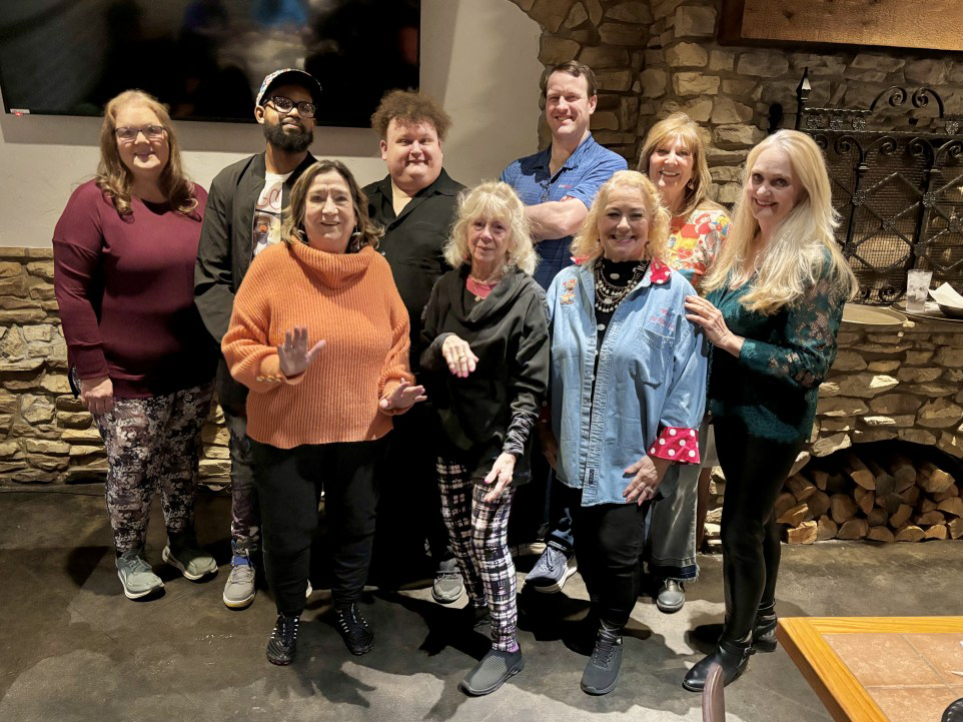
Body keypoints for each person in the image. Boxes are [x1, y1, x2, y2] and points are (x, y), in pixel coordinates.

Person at [222, 160, 425, 666]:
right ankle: (289, 613)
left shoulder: (376, 269)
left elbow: (396, 345)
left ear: (357, 212)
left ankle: (348, 606)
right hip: (285, 431)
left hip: (362, 429)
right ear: (300, 211)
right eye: (317, 198)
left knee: (356, 526)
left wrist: (395, 389)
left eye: (340, 198)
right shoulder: (272, 266)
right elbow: (238, 345)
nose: (329, 209)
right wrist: (279, 365)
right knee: (288, 534)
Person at [683, 130, 857, 691]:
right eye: (757, 178)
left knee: (739, 528)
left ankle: (732, 649)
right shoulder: (748, 244)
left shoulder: (816, 262)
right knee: (758, 520)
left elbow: (811, 364)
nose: (762, 191)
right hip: (735, 410)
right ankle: (760, 621)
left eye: (779, 181)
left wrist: (729, 340)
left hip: (773, 420)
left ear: (805, 189)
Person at [544, 170, 707, 695]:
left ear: (653, 223)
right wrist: (544, 433)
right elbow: (543, 365)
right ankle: (598, 613)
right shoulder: (566, 285)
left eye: (635, 215)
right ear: (597, 221)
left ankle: (611, 631)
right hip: (571, 450)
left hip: (632, 455)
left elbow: (688, 382)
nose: (623, 225)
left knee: (618, 550)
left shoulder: (674, 293)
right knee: (588, 547)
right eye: (612, 214)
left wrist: (661, 459)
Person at [53, 90, 217, 600]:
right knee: (133, 468)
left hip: (191, 369)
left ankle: (181, 543)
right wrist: (91, 369)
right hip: (122, 374)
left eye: (152, 129)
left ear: (168, 136)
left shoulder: (195, 199)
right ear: (113, 141)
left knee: (182, 461)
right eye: (128, 131)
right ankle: (129, 554)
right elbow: (71, 292)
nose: (142, 140)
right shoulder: (91, 203)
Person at [194, 68, 322, 610]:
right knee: (246, 462)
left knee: (301, 466)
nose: (294, 112)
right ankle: (244, 556)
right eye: (282, 101)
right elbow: (210, 277)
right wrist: (246, 348)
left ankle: (291, 560)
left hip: (308, 359)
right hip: (243, 360)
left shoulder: (328, 184)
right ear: (260, 112)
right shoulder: (230, 183)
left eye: (305, 105)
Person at [420, 181, 549, 696]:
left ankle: (506, 645)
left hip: (498, 443)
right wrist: (445, 340)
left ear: (514, 237)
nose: (487, 235)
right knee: (457, 532)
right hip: (449, 433)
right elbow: (424, 353)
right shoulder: (446, 288)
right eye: (478, 224)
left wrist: (514, 451)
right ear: (464, 231)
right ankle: (480, 607)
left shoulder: (528, 298)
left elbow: (531, 387)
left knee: (487, 540)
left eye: (499, 226)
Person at [502, 60, 627, 591]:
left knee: (569, 429)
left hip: (577, 321)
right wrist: (515, 221)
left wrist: (509, 218)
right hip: (519, 318)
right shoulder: (518, 171)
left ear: (591, 103)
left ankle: (560, 542)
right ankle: (519, 532)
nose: (562, 106)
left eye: (573, 97)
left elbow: (567, 221)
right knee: (524, 421)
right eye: (554, 97)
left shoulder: (609, 166)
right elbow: (496, 238)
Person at [364, 90, 466, 604]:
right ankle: (380, 558)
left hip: (435, 368)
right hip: (367, 367)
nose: (416, 149)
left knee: (437, 468)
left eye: (425, 139)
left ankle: (446, 556)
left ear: (440, 146)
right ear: (385, 148)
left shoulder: (464, 207)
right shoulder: (360, 202)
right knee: (377, 466)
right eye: (404, 140)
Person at [637, 112, 730, 613]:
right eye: (661, 150)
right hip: (633, 358)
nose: (670, 160)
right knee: (631, 456)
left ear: (695, 168)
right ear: (647, 158)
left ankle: (670, 567)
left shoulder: (714, 223)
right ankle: (625, 555)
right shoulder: (631, 207)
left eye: (682, 153)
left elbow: (730, 292)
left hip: (689, 361)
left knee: (678, 464)